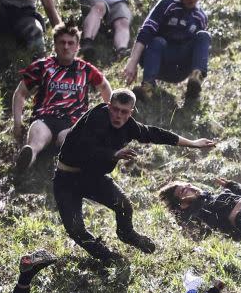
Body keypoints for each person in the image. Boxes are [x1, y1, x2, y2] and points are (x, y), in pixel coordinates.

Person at [55, 89, 217, 261]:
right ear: (109, 106)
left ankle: (126, 233)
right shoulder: (97, 118)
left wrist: (192, 143)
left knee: (124, 206)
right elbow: (85, 148)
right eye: (115, 109)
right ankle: (108, 258)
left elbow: (153, 133)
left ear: (130, 112)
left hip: (92, 178)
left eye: (124, 112)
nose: (118, 115)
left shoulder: (129, 126)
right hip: (67, 179)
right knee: (75, 229)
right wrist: (114, 153)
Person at [12, 23, 111, 175]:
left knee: (70, 140)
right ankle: (25, 162)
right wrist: (17, 124)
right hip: (44, 118)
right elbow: (20, 93)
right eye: (62, 42)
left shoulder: (85, 69)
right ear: (55, 45)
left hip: (72, 121)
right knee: (36, 142)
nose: (66, 47)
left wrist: (109, 119)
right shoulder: (42, 67)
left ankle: (74, 166)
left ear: (77, 46)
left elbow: (104, 87)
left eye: (70, 43)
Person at [122, 0, 210, 100]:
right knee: (158, 41)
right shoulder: (166, 4)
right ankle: (147, 88)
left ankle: (195, 83)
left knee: (204, 36)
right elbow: (146, 31)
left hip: (180, 67)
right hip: (157, 59)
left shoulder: (200, 16)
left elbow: (199, 48)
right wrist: (132, 62)